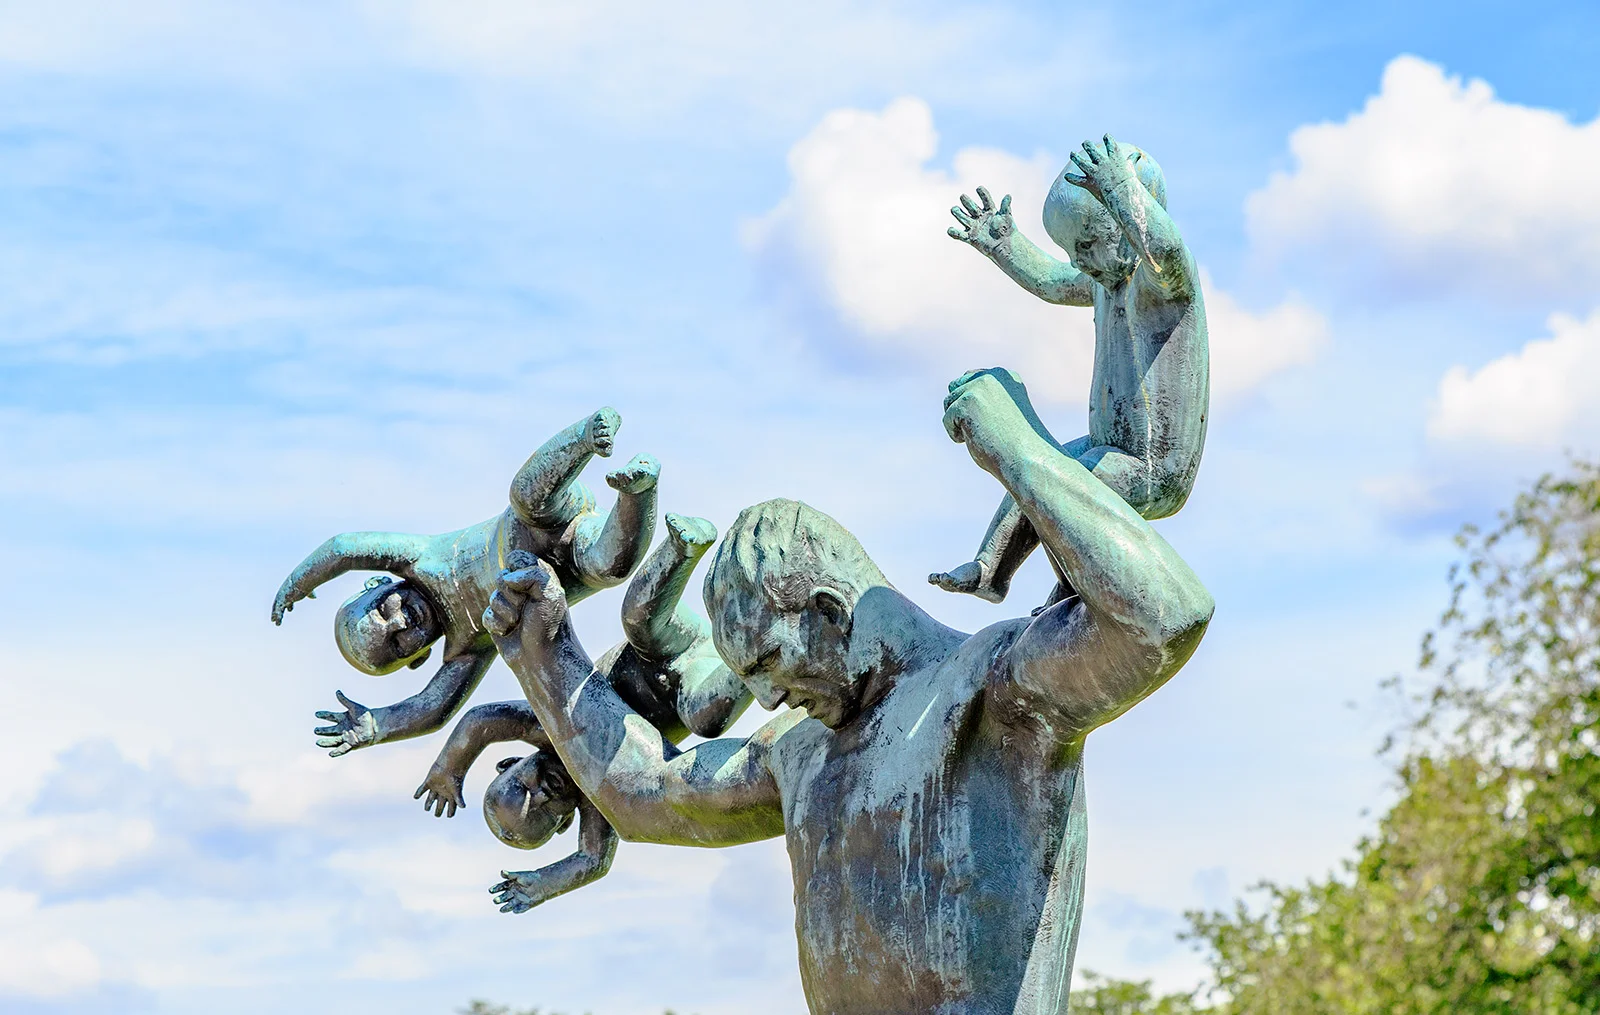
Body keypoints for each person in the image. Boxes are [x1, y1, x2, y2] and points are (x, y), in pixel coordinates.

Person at [482, 369, 1213, 1012]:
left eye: (770, 660)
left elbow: (1162, 616)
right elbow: (648, 793)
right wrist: (546, 650)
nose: (764, 698)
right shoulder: (800, 756)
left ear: (831, 614)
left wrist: (1014, 451)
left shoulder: (994, 694)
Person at [411, 513, 752, 913]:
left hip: (659, 647)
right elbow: (594, 860)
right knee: (704, 718)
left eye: (523, 787)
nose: (540, 794)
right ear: (565, 823)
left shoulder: (546, 724)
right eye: (543, 811)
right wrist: (544, 884)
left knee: (636, 619)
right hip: (694, 681)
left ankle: (682, 547)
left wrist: (448, 771)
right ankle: (754, 642)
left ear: (510, 762)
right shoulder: (599, 796)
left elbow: (481, 722)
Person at [270, 407, 659, 756]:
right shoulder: (466, 648)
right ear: (417, 658)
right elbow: (433, 709)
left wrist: (299, 581)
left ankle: (587, 436)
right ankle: (638, 489)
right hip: (571, 564)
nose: (401, 621)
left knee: (525, 496)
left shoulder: (418, 558)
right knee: (611, 567)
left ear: (379, 585)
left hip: (540, 516)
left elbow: (344, 548)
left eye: (382, 612)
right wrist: (376, 726)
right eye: (398, 643)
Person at [931, 135, 1209, 604]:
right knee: (1040, 464)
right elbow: (1052, 282)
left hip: (1152, 467)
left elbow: (1165, 249)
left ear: (1127, 227)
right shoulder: (1106, 280)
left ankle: (1073, 587)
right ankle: (991, 569)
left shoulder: (1164, 284)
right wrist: (1005, 245)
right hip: (1110, 448)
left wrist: (1124, 192)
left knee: (1064, 485)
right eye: (1070, 249)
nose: (1078, 260)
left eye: (1086, 244)